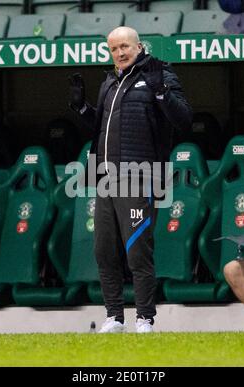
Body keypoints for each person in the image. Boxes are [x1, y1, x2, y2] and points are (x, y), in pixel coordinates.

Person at [69, 26, 192, 333]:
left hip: (142, 177)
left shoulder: (161, 73)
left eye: (125, 46)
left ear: (139, 46)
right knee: (104, 249)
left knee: (137, 250)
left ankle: (144, 318)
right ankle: (114, 316)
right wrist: (82, 108)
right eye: (114, 49)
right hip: (106, 179)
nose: (120, 53)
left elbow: (184, 120)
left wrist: (161, 91)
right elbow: (102, 128)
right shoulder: (110, 80)